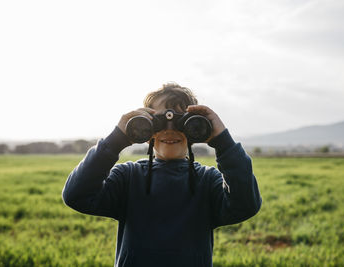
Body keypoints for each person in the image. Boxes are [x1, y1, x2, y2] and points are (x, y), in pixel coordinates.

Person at [62, 82, 262, 267]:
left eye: (181, 121)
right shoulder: (127, 177)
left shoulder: (208, 181)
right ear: (146, 130)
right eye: (157, 122)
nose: (169, 129)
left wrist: (222, 140)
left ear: (196, 128)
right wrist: (117, 138)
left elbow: (245, 205)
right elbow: (76, 195)